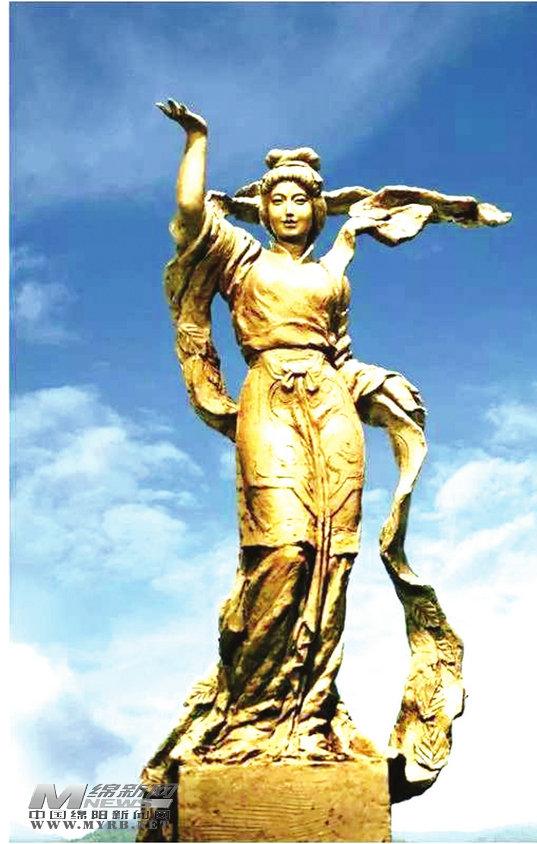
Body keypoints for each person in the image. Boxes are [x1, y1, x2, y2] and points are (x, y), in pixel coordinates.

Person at [150, 100, 428, 765]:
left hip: (331, 408)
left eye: (302, 199)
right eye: (278, 199)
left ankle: (309, 718)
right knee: (284, 548)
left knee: (334, 558)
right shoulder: (242, 259)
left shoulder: (332, 280)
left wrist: (379, 384)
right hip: (270, 398)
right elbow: (190, 214)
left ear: (317, 209)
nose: (290, 208)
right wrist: (198, 139)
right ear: (264, 209)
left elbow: (340, 355)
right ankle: (251, 716)